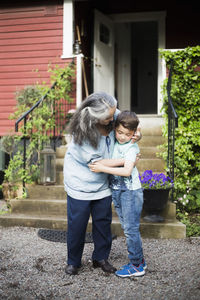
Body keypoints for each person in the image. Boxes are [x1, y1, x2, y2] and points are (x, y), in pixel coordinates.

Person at [63, 92, 141, 275]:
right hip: (80, 184)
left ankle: (100, 258)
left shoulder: (112, 114)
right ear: (95, 116)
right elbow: (96, 164)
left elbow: (130, 126)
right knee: (77, 224)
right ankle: (74, 261)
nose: (112, 118)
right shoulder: (79, 134)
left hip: (103, 184)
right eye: (108, 117)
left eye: (113, 114)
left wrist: (136, 135)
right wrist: (128, 162)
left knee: (103, 223)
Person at [89, 110, 146, 277]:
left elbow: (127, 171)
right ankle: (140, 260)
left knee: (130, 229)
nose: (122, 137)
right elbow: (113, 115)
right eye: (120, 132)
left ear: (133, 134)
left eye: (127, 134)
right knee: (128, 227)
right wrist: (99, 162)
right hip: (117, 190)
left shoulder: (131, 147)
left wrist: (101, 167)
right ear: (115, 128)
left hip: (130, 191)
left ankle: (136, 265)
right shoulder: (116, 140)